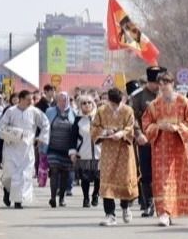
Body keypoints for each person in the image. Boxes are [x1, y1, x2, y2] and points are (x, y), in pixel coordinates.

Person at [142, 72, 188, 227]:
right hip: (161, 148)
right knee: (162, 180)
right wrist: (159, 126)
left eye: (166, 83)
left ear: (172, 84)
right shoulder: (154, 105)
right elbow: (146, 125)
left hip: (179, 146)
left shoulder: (183, 102)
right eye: (160, 84)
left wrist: (177, 128)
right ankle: (163, 212)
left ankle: (173, 211)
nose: (163, 86)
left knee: (176, 180)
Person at [93, 88, 139, 226]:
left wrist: (122, 133)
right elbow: (94, 127)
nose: (115, 107)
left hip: (124, 149)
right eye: (112, 104)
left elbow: (130, 127)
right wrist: (105, 132)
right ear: (108, 101)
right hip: (108, 150)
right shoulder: (101, 111)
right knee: (107, 180)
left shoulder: (128, 111)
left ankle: (125, 207)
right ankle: (110, 214)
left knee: (124, 179)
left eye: (117, 104)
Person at [0, 90, 49, 209]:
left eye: (32, 99)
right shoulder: (11, 111)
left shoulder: (34, 112)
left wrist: (41, 138)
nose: (30, 101)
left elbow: (45, 124)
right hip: (12, 148)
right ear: (21, 99)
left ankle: (18, 200)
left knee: (24, 175)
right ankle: (7, 190)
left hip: (27, 149)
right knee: (9, 174)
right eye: (28, 99)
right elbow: (1, 127)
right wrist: (14, 134)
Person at [131, 66, 164, 217]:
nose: (158, 86)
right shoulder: (138, 96)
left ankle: (163, 204)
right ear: (149, 82)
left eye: (160, 83)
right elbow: (132, 117)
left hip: (164, 140)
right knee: (146, 172)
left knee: (163, 173)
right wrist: (138, 134)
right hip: (146, 140)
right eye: (155, 83)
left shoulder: (166, 95)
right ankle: (148, 203)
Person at [44, 93, 77, 208]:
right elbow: (44, 127)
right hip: (53, 148)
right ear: (57, 101)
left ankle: (62, 198)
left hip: (67, 150)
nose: (63, 102)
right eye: (61, 100)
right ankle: (53, 197)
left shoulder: (73, 112)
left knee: (65, 174)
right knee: (54, 171)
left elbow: (76, 130)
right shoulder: (50, 111)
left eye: (65, 100)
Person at [70, 95, 100, 208]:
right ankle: (86, 198)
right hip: (84, 153)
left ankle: (95, 194)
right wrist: (73, 152)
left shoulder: (99, 117)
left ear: (93, 104)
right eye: (84, 103)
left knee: (99, 177)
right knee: (85, 178)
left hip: (99, 152)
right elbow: (73, 137)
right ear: (80, 106)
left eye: (89, 102)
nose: (87, 105)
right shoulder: (78, 120)